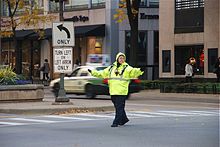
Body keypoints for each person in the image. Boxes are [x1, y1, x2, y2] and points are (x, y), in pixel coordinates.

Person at [88, 52, 144, 127]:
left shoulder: (127, 68)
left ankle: (116, 122)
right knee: (118, 106)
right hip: (113, 91)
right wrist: (93, 72)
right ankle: (124, 119)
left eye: (123, 58)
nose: (122, 59)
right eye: (120, 58)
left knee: (119, 107)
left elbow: (133, 71)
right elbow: (102, 73)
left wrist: (139, 70)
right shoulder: (111, 68)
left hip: (122, 91)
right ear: (117, 59)